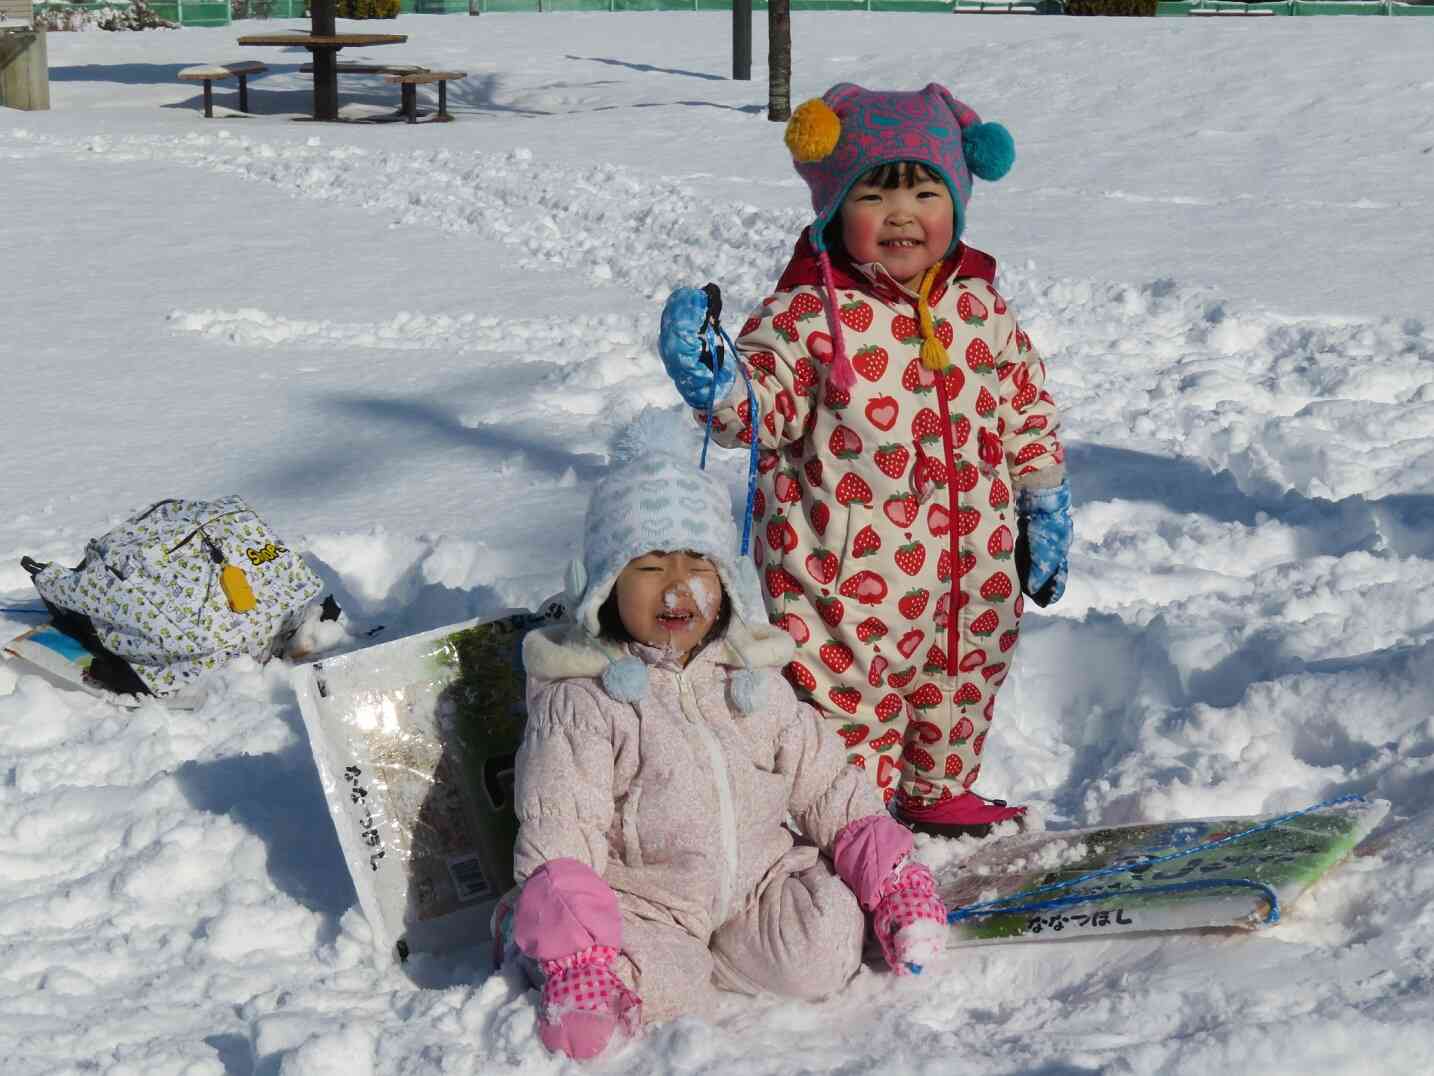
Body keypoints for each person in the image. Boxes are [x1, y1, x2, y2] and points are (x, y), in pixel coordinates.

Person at [657, 83, 1072, 838]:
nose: (904, 214)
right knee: (845, 697)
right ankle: (847, 817)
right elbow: (762, 407)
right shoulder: (809, 314)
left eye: (925, 191)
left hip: (973, 564)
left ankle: (936, 787)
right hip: (843, 573)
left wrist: (1041, 498)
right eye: (875, 196)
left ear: (960, 201)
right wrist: (719, 385)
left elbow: (1025, 406)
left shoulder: (980, 308)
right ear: (834, 208)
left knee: (963, 675)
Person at [504, 449, 948, 1060]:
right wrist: (577, 948)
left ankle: (770, 939)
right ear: (605, 586)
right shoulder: (585, 701)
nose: (679, 587)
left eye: (699, 567)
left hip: (755, 885)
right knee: (670, 992)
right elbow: (561, 825)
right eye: (651, 567)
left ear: (727, 584)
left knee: (824, 949)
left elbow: (822, 783)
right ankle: (554, 952)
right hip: (645, 902)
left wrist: (890, 873)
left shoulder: (749, 682)